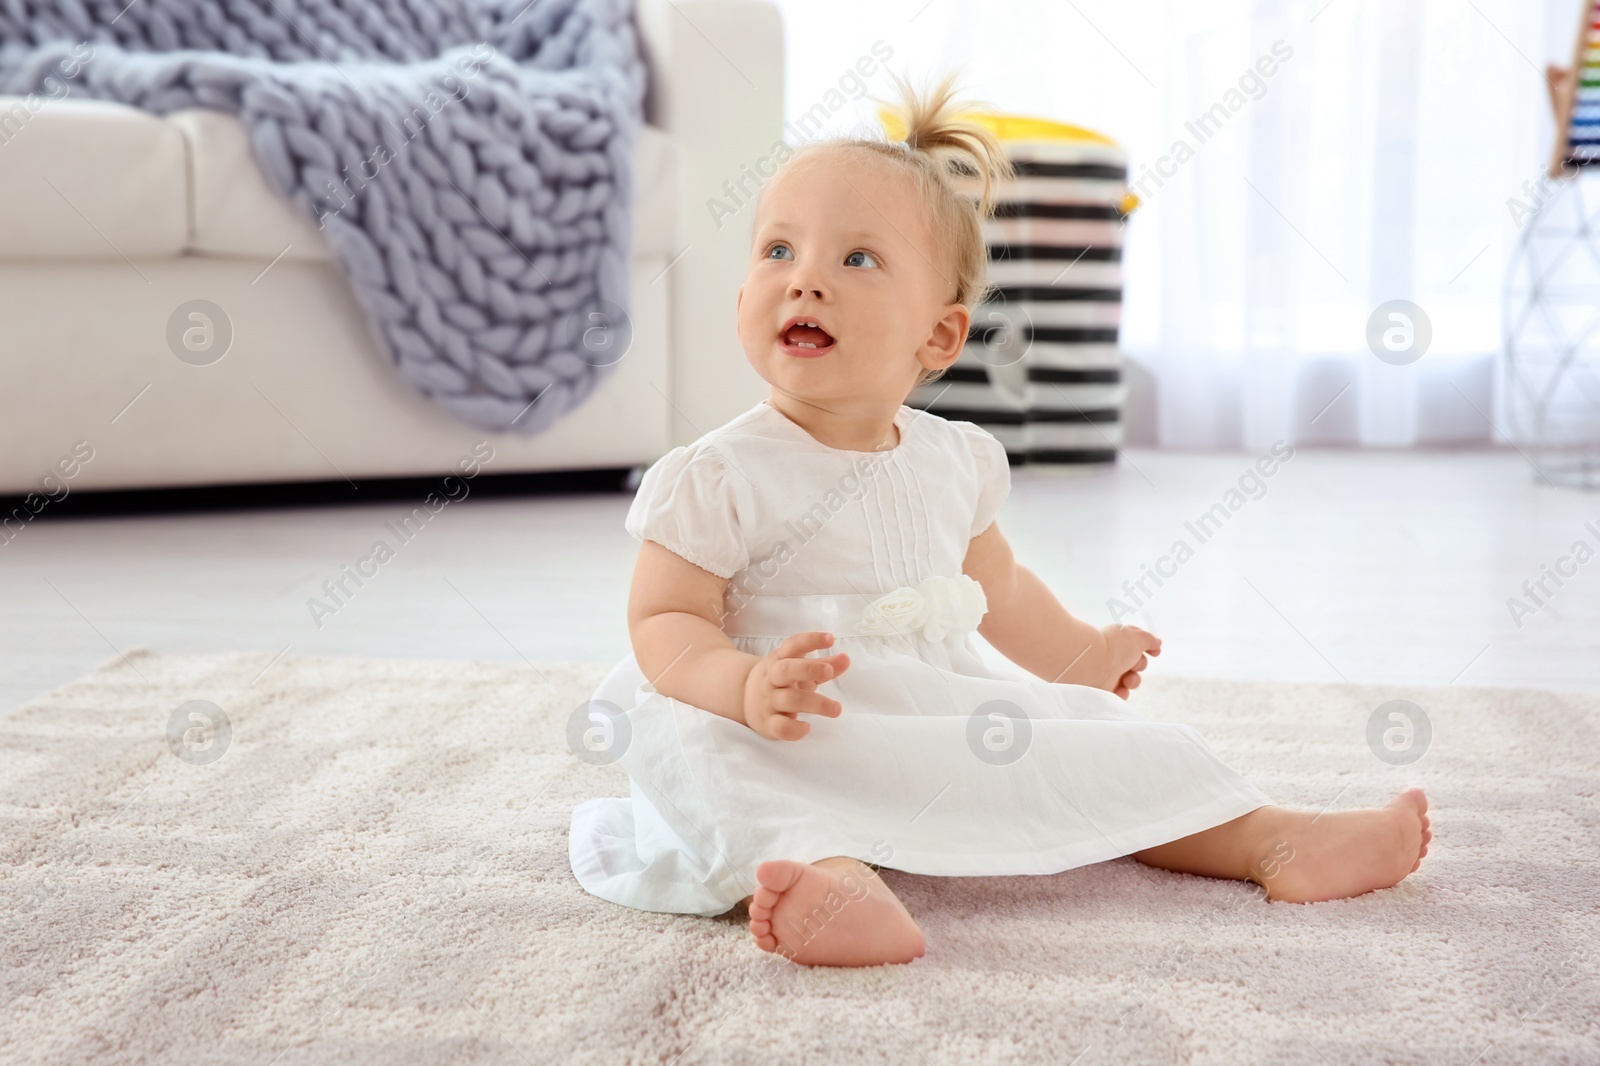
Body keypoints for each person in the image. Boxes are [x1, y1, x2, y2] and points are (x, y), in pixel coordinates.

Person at [569, 74, 1431, 968]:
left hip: (922, 703)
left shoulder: (952, 460)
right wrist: (739, 688)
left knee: (1097, 742)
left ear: (939, 338)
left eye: (855, 260)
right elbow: (662, 623)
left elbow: (998, 589)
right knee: (708, 761)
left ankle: (1272, 838)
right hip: (774, 713)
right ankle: (828, 881)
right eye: (778, 251)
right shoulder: (715, 475)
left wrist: (1081, 657)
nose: (806, 281)